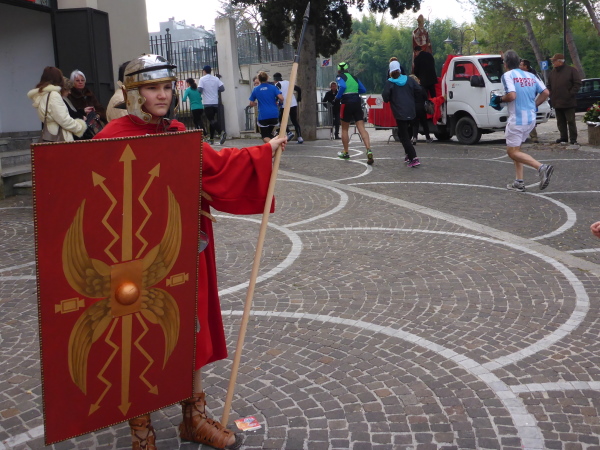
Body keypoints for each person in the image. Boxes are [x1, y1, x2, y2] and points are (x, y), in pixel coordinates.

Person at [94, 54, 287, 450]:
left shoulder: (179, 132)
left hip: (183, 249)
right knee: (136, 337)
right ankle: (141, 431)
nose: (162, 95)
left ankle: (193, 417)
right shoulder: (110, 138)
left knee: (189, 327)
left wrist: (263, 151)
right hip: (133, 259)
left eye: (167, 87)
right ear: (132, 93)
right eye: (152, 88)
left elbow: (218, 166)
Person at [491, 50, 553, 192]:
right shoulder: (531, 75)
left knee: (512, 152)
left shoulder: (508, 75)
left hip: (517, 118)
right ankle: (519, 181)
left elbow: (512, 95)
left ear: (505, 64)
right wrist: (534, 105)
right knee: (517, 149)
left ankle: (541, 167)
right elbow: (545, 92)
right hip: (530, 118)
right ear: (519, 62)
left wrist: (500, 99)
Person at [27, 66, 87, 142]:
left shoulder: (43, 94)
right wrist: (80, 127)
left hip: (50, 133)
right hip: (59, 135)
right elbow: (63, 119)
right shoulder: (54, 95)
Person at [382, 60, 421, 167]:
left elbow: (385, 97)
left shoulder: (390, 82)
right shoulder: (409, 79)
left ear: (390, 71)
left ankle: (413, 157)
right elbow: (419, 90)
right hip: (411, 111)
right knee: (404, 134)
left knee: (403, 136)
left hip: (400, 112)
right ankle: (408, 154)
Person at [335, 62, 373, 164]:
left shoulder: (340, 77)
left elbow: (342, 86)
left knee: (344, 129)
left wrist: (337, 97)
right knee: (361, 128)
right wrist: (354, 92)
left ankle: (346, 152)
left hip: (346, 103)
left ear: (339, 70)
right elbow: (363, 89)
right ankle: (368, 149)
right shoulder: (354, 77)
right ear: (347, 69)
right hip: (356, 102)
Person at [547, 53, 582, 145]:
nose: (553, 62)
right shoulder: (552, 73)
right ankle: (563, 137)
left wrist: (570, 93)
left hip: (568, 101)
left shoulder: (571, 70)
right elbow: (548, 85)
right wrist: (551, 94)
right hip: (556, 101)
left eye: (554, 61)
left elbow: (577, 83)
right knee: (560, 122)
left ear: (560, 61)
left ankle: (573, 139)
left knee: (571, 121)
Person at [248, 71, 284, 143]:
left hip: (263, 115)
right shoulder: (273, 87)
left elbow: (251, 103)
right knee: (269, 134)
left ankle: (274, 144)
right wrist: (279, 104)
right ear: (267, 78)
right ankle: (274, 141)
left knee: (265, 136)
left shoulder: (256, 89)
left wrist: (258, 103)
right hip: (274, 114)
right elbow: (281, 98)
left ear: (259, 79)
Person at [199, 65, 226, 145]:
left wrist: (204, 90)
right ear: (210, 71)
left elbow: (199, 90)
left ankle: (221, 132)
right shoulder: (216, 79)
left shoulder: (202, 79)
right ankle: (211, 139)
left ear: (204, 71)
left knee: (211, 119)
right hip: (215, 102)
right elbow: (222, 88)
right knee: (212, 120)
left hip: (207, 102)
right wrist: (214, 89)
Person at [273, 72, 303, 143]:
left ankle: (289, 132)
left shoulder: (277, 85)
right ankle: (300, 137)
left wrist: (276, 101)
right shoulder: (288, 82)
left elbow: (277, 95)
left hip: (284, 105)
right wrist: (299, 98)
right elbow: (298, 89)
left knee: (281, 120)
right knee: (294, 121)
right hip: (293, 103)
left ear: (275, 79)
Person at [519, 59, 540, 143]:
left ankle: (534, 136)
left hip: (529, 99)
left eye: (521, 65)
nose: (519, 67)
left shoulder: (532, 75)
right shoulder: (518, 74)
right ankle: (521, 136)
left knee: (529, 118)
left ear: (526, 66)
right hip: (521, 98)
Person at [409, 75, 433, 145]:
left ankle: (414, 138)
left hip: (413, 108)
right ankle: (428, 138)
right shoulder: (421, 88)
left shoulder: (410, 89)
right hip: (421, 107)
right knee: (424, 123)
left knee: (415, 124)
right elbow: (426, 97)